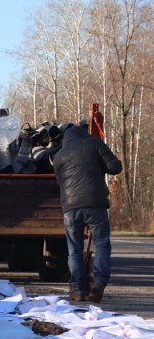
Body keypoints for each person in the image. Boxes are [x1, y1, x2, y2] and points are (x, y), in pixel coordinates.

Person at [53, 123, 122, 304]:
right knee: (102, 244)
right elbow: (115, 167)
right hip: (95, 204)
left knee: (74, 249)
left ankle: (77, 291)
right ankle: (98, 284)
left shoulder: (59, 155)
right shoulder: (94, 144)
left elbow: (59, 182)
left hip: (70, 208)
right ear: (83, 133)